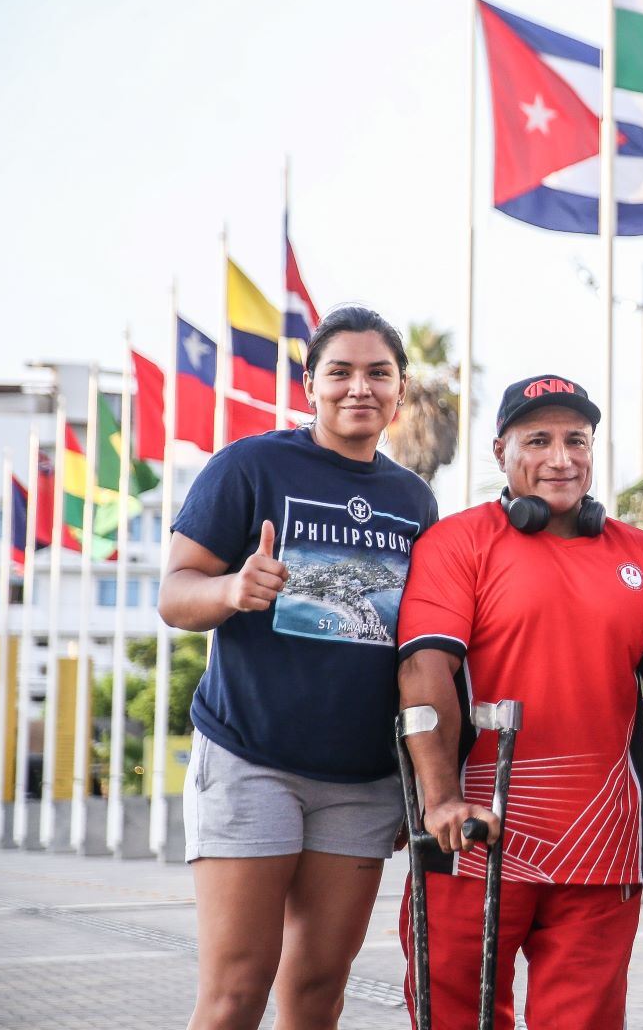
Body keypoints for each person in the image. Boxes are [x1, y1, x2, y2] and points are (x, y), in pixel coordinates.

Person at [396, 373, 643, 1030]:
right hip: (474, 837)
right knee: (452, 1017)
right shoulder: (458, 543)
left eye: (577, 439)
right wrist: (439, 798)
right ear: (500, 451)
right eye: (538, 439)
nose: (562, 457)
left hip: (602, 846)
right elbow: (426, 670)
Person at [159, 305, 440, 1030]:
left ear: (399, 391)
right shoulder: (251, 467)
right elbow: (174, 594)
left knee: (317, 991)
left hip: (360, 781)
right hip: (252, 761)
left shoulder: (414, 501)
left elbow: (424, 647)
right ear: (310, 383)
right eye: (340, 371)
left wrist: (430, 776)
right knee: (236, 992)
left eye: (378, 373)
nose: (359, 388)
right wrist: (232, 589)